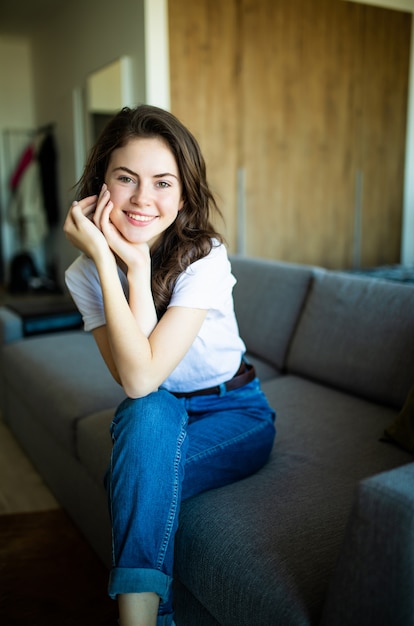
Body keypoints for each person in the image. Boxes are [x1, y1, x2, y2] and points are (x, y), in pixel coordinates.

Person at [63, 104, 276, 626]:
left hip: (235, 412)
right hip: (157, 412)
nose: (142, 199)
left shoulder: (205, 256)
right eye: (126, 178)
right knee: (148, 414)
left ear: (183, 194)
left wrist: (134, 263)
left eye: (163, 182)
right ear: (101, 185)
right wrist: (115, 266)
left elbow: (141, 373)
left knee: (136, 472)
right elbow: (138, 385)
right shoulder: (83, 274)